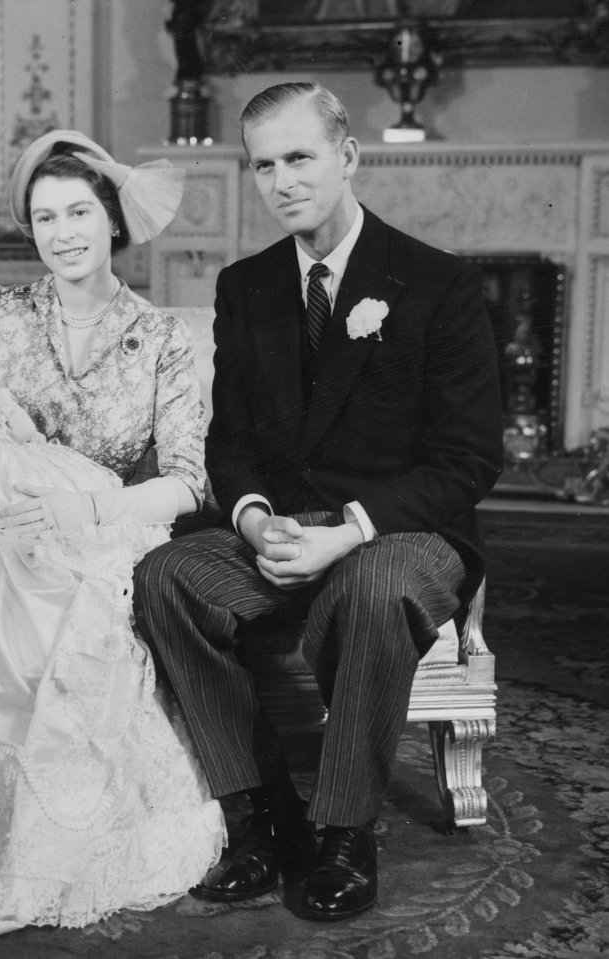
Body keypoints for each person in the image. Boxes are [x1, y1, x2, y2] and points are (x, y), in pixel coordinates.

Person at [133, 82, 504, 922]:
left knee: (370, 587)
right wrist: (257, 517)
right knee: (164, 576)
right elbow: (230, 440)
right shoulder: (247, 285)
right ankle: (261, 814)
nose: (281, 181)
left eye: (299, 157)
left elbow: (469, 458)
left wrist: (349, 533)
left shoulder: (436, 284)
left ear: (347, 156)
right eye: (262, 164)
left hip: (405, 528)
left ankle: (343, 830)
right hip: (286, 526)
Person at [0, 131, 224, 940]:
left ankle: (63, 851)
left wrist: (86, 513)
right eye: (45, 216)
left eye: (78, 210)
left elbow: (188, 479)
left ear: (111, 219)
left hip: (100, 530)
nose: (62, 231)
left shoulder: (160, 336)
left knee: (76, 620)